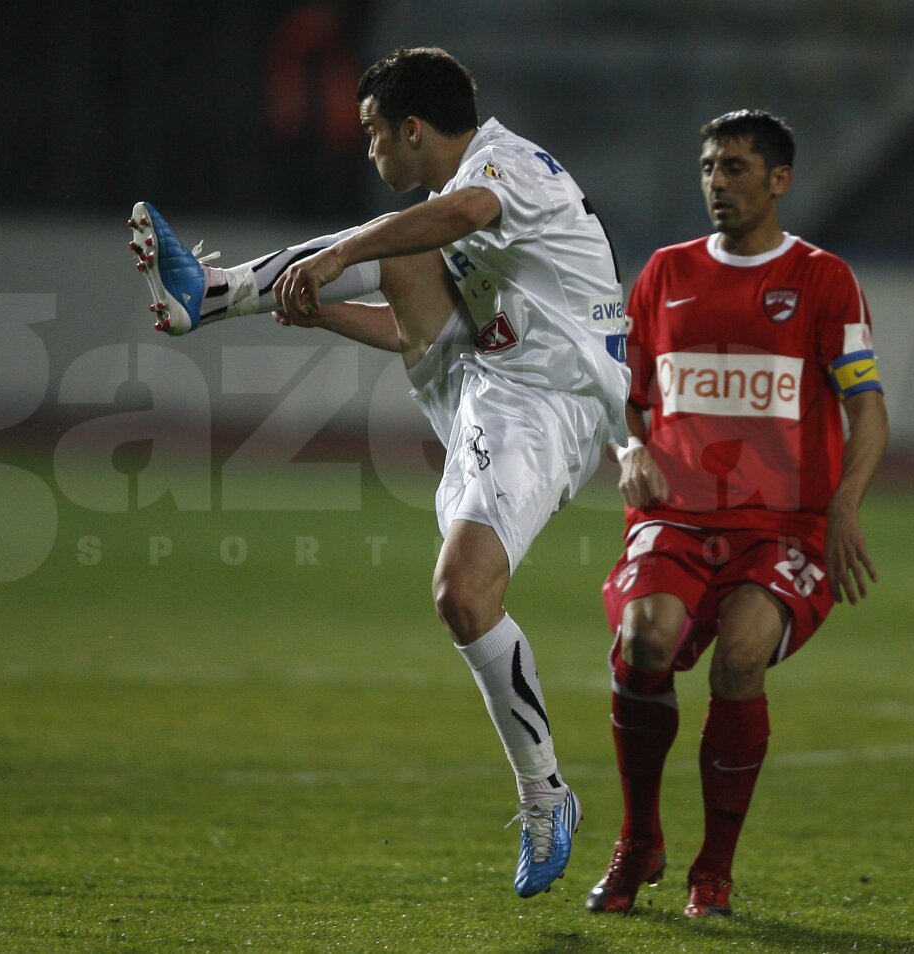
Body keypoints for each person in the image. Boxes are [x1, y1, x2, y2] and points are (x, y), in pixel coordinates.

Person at [129, 46, 630, 898]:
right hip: (487, 382)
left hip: (553, 404)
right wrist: (322, 310)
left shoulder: (497, 169)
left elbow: (462, 212)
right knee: (399, 255)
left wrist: (328, 258)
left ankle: (547, 795)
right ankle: (205, 297)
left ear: (412, 128)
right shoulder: (452, 208)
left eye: (373, 134)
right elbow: (416, 329)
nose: (368, 151)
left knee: (464, 595)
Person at [585, 109, 889, 918]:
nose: (718, 183)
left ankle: (711, 871)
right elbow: (628, 400)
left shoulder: (824, 279)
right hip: (678, 517)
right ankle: (637, 839)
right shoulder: (663, 274)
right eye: (710, 168)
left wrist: (846, 503)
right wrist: (630, 453)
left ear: (780, 180)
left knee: (742, 659)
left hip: (781, 527)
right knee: (643, 640)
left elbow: (869, 409)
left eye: (737, 168)